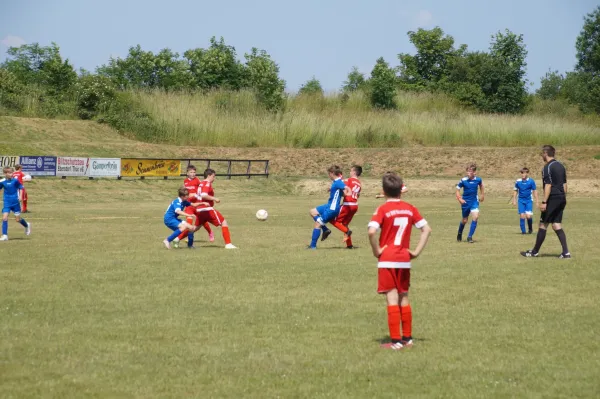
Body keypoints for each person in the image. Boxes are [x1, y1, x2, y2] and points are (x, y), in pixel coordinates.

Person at [368, 172, 432, 350]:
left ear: (383, 191)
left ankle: (396, 342)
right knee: (404, 296)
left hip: (387, 259)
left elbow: (372, 231)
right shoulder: (410, 208)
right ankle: (408, 339)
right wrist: (416, 252)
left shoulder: (382, 209)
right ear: (401, 190)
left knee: (391, 297)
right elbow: (427, 229)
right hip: (404, 258)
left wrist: (377, 250)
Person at [521, 145, 570, 258]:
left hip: (552, 198)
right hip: (561, 197)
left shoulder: (547, 167)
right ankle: (566, 252)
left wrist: (544, 202)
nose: (542, 156)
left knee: (543, 224)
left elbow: (548, 185)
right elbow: (564, 184)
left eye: (542, 154)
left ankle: (534, 252)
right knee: (556, 224)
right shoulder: (561, 166)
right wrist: (564, 198)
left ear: (545, 153)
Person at [176, 168, 237, 249]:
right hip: (206, 209)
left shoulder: (201, 183)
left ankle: (177, 238)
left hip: (199, 209)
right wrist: (214, 198)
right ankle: (228, 244)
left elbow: (198, 195)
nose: (214, 178)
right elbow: (204, 195)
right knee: (224, 222)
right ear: (209, 175)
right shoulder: (207, 183)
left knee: (194, 228)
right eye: (213, 176)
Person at [307, 165, 351, 249]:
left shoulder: (338, 182)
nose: (329, 176)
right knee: (312, 212)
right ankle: (325, 229)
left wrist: (349, 193)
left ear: (332, 173)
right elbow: (342, 192)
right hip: (329, 205)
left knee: (317, 224)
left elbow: (346, 188)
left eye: (329, 174)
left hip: (332, 208)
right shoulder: (336, 182)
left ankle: (312, 246)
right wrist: (332, 190)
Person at [331, 165, 362, 249]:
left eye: (351, 171)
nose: (350, 172)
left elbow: (339, 183)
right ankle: (349, 245)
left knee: (332, 219)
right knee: (344, 224)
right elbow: (358, 195)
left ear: (354, 172)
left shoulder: (349, 180)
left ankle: (348, 232)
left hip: (348, 205)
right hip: (355, 205)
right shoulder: (359, 183)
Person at [183, 164, 214, 242]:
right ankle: (189, 236)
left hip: (198, 204)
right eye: (191, 172)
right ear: (187, 173)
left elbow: (202, 189)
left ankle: (210, 232)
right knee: (189, 219)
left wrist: (197, 195)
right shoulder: (185, 181)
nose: (193, 174)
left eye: (194, 172)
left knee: (202, 221)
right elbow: (184, 191)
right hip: (189, 204)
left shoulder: (197, 180)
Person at [0, 166, 31, 241]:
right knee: (4, 217)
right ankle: (5, 235)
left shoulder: (15, 180)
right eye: (9, 173)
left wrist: (20, 196)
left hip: (15, 202)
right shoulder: (2, 181)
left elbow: (21, 187)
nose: (11, 174)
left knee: (17, 219)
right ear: (5, 173)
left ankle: (27, 225)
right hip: (7, 202)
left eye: (11, 173)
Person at [456, 164, 484, 243]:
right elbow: (457, 190)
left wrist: (482, 195)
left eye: (470, 171)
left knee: (475, 216)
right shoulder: (463, 180)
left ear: (474, 172)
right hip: (465, 202)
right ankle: (460, 232)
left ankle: (469, 237)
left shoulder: (478, 180)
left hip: (474, 201)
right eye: (467, 171)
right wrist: (459, 199)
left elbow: (481, 186)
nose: (468, 173)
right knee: (464, 220)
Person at [512, 167, 539, 234]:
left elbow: (535, 191)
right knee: (522, 215)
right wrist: (514, 200)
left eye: (525, 173)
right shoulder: (518, 181)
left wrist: (537, 201)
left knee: (528, 216)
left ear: (527, 173)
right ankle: (523, 232)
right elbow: (515, 191)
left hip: (529, 200)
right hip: (521, 200)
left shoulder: (531, 181)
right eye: (522, 173)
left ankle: (530, 229)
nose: (523, 174)